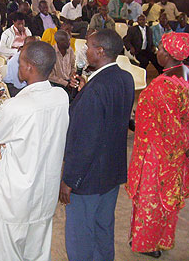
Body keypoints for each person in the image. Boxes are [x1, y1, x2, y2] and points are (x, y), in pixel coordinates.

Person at [0, 40, 68, 260]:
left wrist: (1, 146)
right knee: (38, 253)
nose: (17, 67)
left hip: (14, 198)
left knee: (6, 254)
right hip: (44, 195)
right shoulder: (61, 97)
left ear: (29, 67)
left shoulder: (15, 107)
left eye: (20, 62)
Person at [126, 32, 189, 258]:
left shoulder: (163, 85)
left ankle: (148, 244)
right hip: (178, 151)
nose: (157, 52)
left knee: (152, 198)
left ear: (171, 54)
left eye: (161, 48)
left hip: (158, 151)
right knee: (168, 197)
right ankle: (162, 239)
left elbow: (171, 126)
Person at [60, 29, 135, 261]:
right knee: (103, 227)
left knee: (80, 235)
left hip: (88, 177)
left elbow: (84, 141)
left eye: (89, 46)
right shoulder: (125, 78)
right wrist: (82, 92)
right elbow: (108, 118)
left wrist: (69, 180)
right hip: (111, 172)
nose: (85, 50)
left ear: (100, 51)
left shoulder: (96, 89)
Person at [48, 30, 76, 95]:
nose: (69, 42)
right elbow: (50, 76)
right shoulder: (51, 52)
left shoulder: (70, 50)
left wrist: (73, 77)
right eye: (66, 41)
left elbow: (72, 66)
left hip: (69, 81)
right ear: (58, 42)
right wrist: (65, 83)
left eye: (69, 40)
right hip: (56, 84)